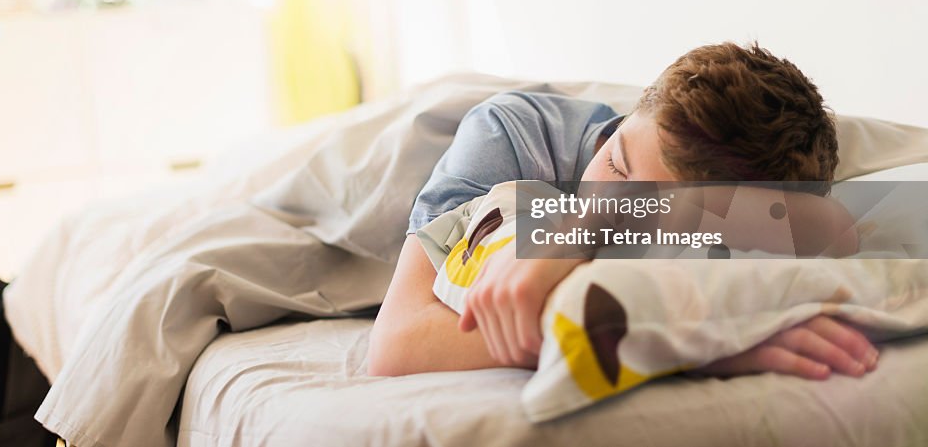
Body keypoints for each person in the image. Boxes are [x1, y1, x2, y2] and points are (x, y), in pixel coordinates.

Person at [367, 42, 879, 379]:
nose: (611, 202)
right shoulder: (508, 139)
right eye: (615, 164)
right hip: (366, 194)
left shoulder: (722, 191)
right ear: (632, 112)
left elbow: (835, 231)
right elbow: (396, 344)